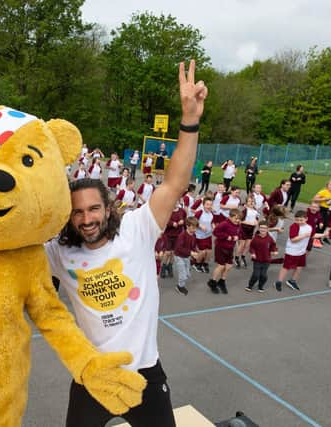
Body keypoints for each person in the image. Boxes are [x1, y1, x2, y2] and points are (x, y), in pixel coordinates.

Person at [44, 60, 206, 427]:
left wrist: (190, 120)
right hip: (93, 376)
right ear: (68, 216)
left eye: (94, 209)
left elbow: (175, 182)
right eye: (78, 213)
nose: (87, 219)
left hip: (144, 374)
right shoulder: (59, 252)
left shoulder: (138, 228)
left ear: (108, 207)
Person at [274, 210, 313, 292]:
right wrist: (304, 235)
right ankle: (278, 282)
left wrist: (325, 234)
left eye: (301, 220)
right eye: (297, 220)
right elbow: (293, 240)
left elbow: (312, 235)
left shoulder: (309, 227)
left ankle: (292, 281)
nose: (299, 222)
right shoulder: (294, 226)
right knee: (286, 267)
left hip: (302, 251)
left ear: (306, 219)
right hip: (292, 251)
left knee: (299, 267)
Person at [208, 209, 241, 294]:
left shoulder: (238, 225)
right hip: (221, 247)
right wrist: (226, 236)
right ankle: (213, 282)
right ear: (230, 217)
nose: (237, 220)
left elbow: (238, 233)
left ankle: (222, 281)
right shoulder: (224, 224)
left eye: (239, 219)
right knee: (221, 266)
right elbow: (215, 232)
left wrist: (237, 237)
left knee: (229, 266)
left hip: (230, 248)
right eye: (236, 218)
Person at [245, 221, 278, 293]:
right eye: (261, 228)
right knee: (256, 275)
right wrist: (253, 253)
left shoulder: (269, 238)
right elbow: (251, 247)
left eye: (265, 228)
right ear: (259, 228)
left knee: (263, 275)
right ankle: (250, 285)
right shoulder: (255, 238)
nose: (263, 229)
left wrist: (275, 250)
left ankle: (260, 286)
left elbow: (273, 246)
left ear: (267, 229)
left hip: (266, 260)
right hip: (257, 260)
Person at [174, 217, 199, 295]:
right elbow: (179, 248)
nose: (195, 229)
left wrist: (195, 252)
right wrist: (191, 253)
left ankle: (183, 279)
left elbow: (193, 246)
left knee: (187, 274)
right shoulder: (182, 235)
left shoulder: (193, 235)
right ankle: (180, 287)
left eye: (196, 228)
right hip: (179, 257)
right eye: (193, 227)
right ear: (187, 226)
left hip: (186, 256)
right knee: (183, 275)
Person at [236, 196, 259, 269]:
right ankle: (237, 258)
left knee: (247, 245)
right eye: (249, 201)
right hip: (243, 229)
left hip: (251, 230)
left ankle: (243, 257)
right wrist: (250, 223)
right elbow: (240, 221)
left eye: (252, 201)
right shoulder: (245, 211)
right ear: (246, 203)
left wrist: (256, 222)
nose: (251, 202)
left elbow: (256, 220)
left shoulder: (255, 211)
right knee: (242, 244)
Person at [193, 197, 214, 273]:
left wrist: (213, 226)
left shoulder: (211, 213)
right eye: (207, 204)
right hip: (200, 235)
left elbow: (211, 222)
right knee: (203, 252)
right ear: (203, 205)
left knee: (209, 252)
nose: (209, 206)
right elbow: (193, 221)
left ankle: (205, 264)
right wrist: (200, 225)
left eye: (211, 205)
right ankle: (197, 264)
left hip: (208, 235)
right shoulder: (199, 213)